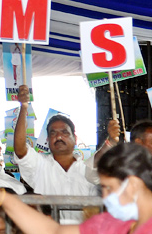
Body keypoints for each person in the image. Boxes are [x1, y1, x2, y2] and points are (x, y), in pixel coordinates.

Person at [0, 142, 152, 234]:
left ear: (133, 184)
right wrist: (6, 200)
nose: (103, 196)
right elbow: (54, 232)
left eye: (107, 188)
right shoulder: (116, 224)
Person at [10, 85, 95, 223]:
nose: (59, 137)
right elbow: (20, 149)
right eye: (53, 133)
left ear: (75, 139)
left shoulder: (88, 169)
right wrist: (24, 107)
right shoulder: (40, 165)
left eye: (64, 132)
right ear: (48, 140)